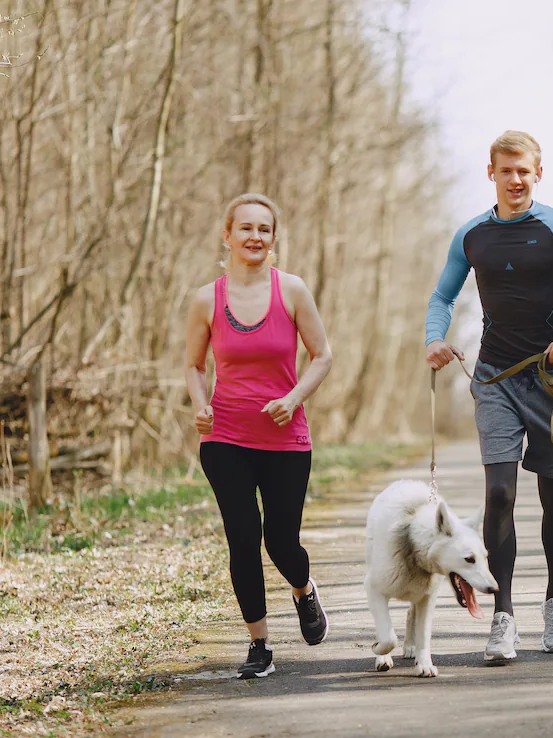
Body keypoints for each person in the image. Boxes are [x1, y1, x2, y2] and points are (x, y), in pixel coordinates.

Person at [424, 131, 553, 662]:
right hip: (494, 379)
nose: (516, 179)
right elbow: (442, 296)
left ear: (538, 174)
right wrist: (434, 338)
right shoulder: (471, 235)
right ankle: (503, 616)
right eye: (506, 170)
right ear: (491, 172)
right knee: (500, 495)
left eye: (524, 171)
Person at [184, 193, 333, 679]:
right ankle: (259, 645)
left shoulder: (291, 290)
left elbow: (323, 355)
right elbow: (192, 364)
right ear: (226, 236)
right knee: (243, 538)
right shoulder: (207, 298)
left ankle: (304, 589)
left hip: (285, 438)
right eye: (244, 228)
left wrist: (293, 399)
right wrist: (200, 404)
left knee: (281, 542)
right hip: (225, 436)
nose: (254, 237)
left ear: (273, 239)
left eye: (264, 229)